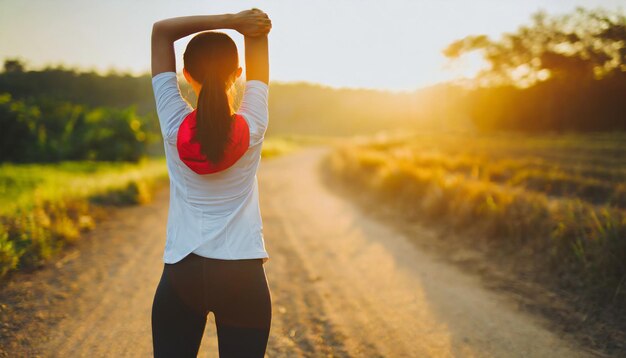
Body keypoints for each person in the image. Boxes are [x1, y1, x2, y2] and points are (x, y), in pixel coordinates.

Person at [150, 9, 272, 358]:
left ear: (186, 75)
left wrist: (232, 20)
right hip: (243, 277)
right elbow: (258, 32)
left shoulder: (173, 126)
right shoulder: (254, 123)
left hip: (182, 274)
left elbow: (161, 32)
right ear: (238, 75)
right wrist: (247, 26)